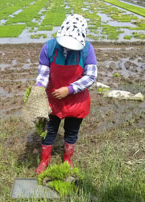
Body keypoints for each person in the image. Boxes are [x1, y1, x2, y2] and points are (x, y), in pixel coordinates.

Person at [34, 14, 97, 174]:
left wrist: (69, 89)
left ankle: (67, 159)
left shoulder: (87, 50)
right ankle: (44, 160)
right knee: (49, 131)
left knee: (71, 132)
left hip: (76, 100)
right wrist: (39, 88)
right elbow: (43, 72)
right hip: (53, 99)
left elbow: (91, 76)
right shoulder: (49, 47)